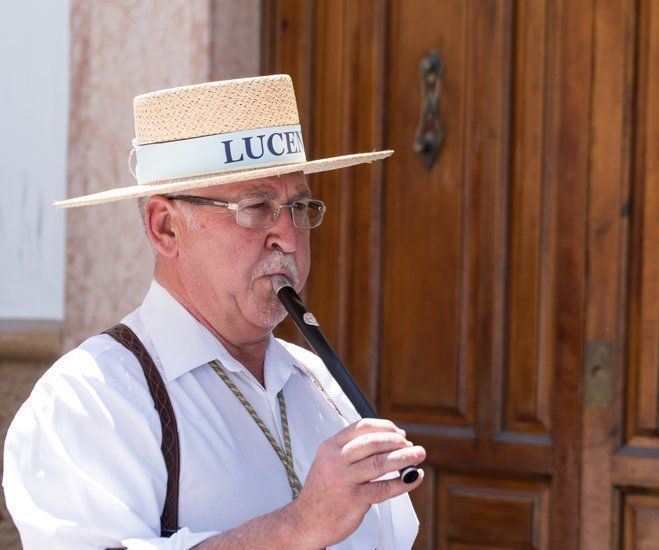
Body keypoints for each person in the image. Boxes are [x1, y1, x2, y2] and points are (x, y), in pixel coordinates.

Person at [3, 75, 425, 549]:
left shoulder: (319, 382)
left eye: (299, 205)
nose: (287, 236)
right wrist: (299, 525)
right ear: (165, 228)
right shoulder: (90, 399)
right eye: (256, 206)